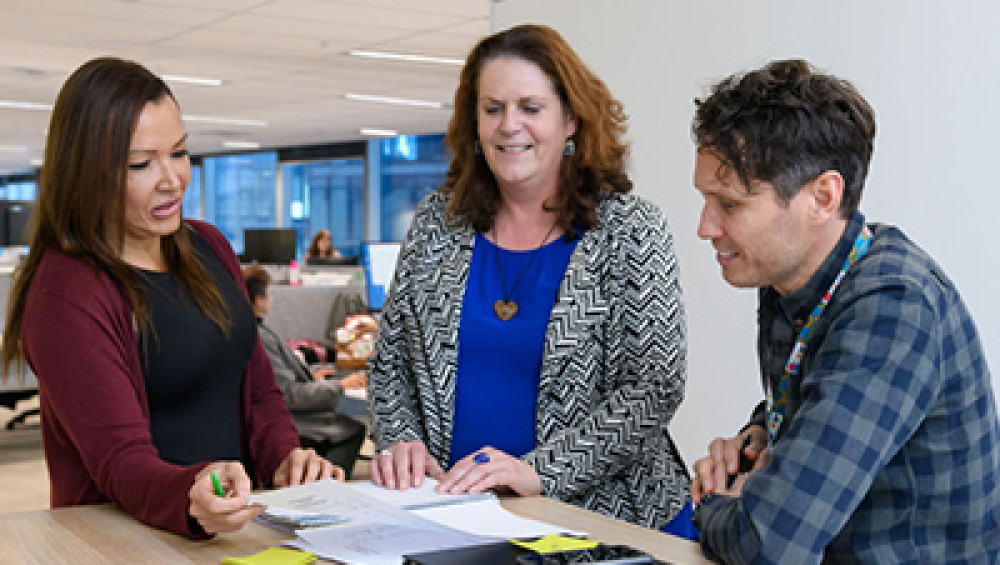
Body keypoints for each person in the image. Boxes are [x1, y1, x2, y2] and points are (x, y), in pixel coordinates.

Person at [0, 57, 341, 540]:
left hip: (230, 528)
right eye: (141, 163)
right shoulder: (67, 292)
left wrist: (286, 459)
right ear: (85, 173)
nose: (172, 179)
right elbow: (118, 460)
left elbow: (257, 387)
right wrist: (191, 493)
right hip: (131, 538)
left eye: (179, 153)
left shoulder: (209, 247)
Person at [366, 23, 690, 531]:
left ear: (571, 120)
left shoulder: (630, 229)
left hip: (605, 521)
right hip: (459, 518)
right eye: (492, 109)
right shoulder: (435, 224)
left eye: (530, 108)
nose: (508, 126)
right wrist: (401, 441)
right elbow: (390, 368)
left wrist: (540, 472)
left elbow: (654, 387)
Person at [689, 59, 1000, 563]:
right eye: (705, 200)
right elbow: (819, 388)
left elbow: (768, 546)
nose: (706, 227)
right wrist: (757, 437)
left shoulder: (894, 309)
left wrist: (714, 503)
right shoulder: (796, 277)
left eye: (730, 204)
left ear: (822, 196)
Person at [243, 265, 367, 478]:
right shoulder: (259, 338)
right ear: (258, 300)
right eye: (270, 296)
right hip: (293, 420)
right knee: (352, 429)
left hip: (290, 412)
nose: (271, 302)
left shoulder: (255, 331)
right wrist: (340, 385)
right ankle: (326, 485)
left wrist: (312, 378)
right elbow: (290, 395)